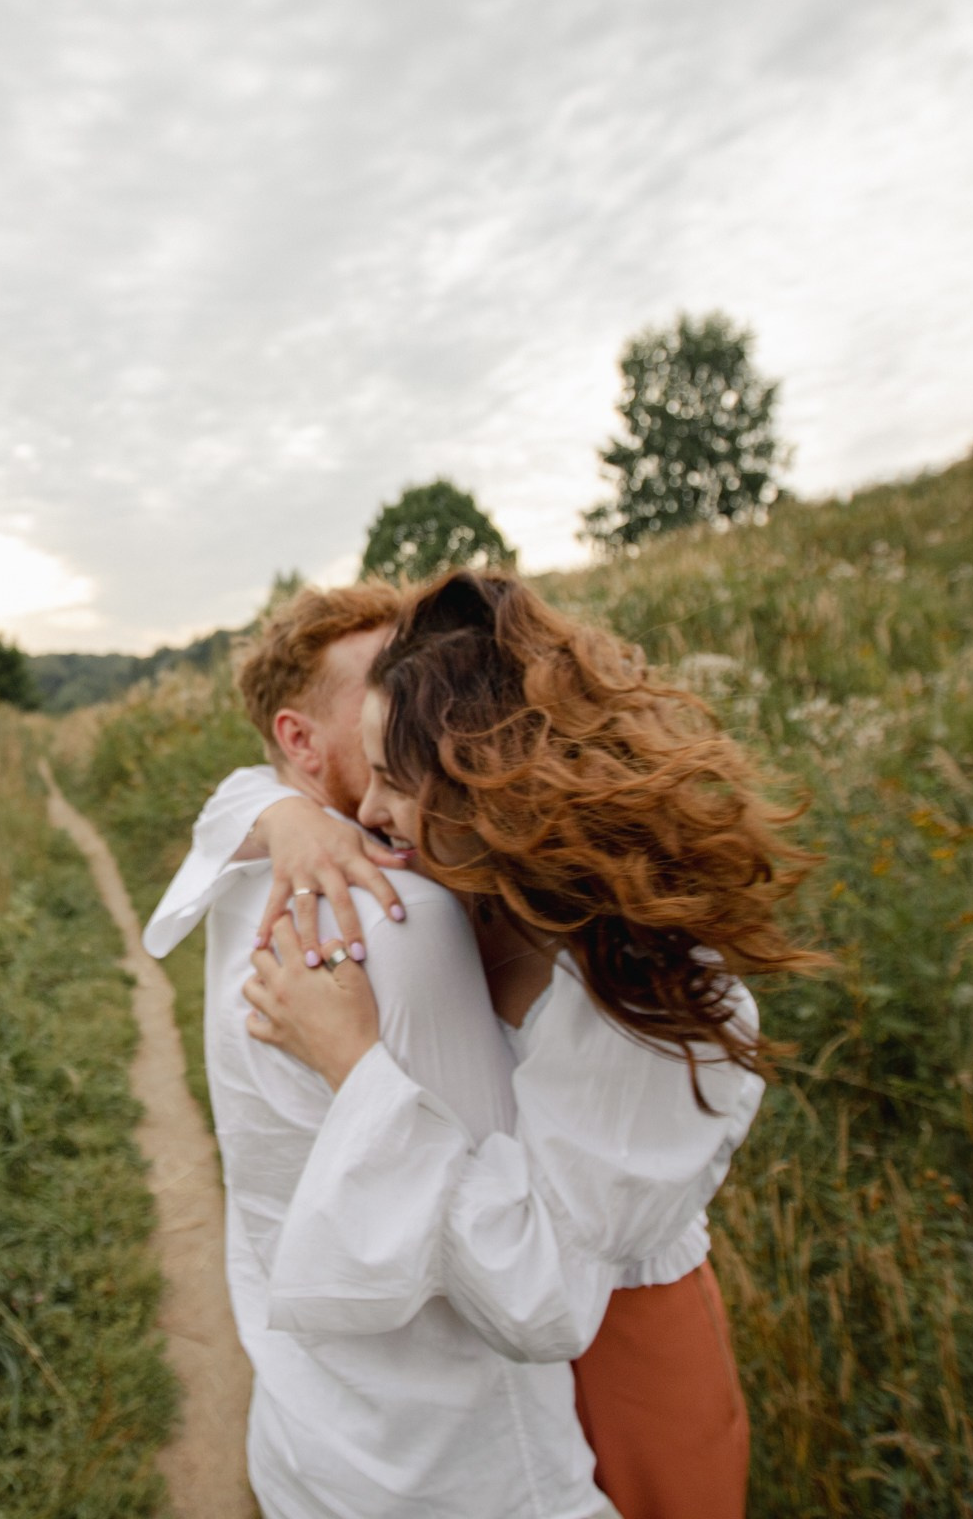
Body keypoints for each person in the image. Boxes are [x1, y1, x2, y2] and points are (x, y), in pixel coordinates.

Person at [238, 571, 826, 1519]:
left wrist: (354, 1063)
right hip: (482, 1378)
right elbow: (247, 794)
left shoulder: (648, 1001)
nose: (371, 813)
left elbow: (541, 1293)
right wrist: (287, 814)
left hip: (623, 1348)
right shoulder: (471, 887)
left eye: (394, 778)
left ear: (489, 778)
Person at [141, 582, 613, 1519]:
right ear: (300, 741)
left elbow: (238, 797)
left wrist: (284, 812)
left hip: (309, 1438)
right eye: (381, 688)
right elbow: (518, 1244)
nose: (420, 702)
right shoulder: (401, 916)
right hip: (459, 1466)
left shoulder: (252, 874)